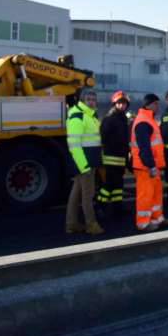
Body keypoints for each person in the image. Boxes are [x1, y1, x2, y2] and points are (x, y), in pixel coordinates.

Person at [65, 90, 104, 235]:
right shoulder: (79, 115)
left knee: (76, 194)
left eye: (94, 99)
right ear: (82, 100)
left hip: (88, 162)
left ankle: (72, 224)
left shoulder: (89, 115)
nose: (92, 102)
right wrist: (84, 167)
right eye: (89, 99)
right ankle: (91, 225)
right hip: (85, 163)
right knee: (88, 195)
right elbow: (74, 145)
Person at [131, 94, 168, 232]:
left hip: (151, 166)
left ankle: (157, 219)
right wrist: (151, 165)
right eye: (156, 104)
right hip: (145, 167)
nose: (158, 107)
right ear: (150, 105)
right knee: (145, 195)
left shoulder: (148, 120)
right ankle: (143, 223)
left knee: (155, 194)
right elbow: (144, 148)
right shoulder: (144, 122)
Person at [97, 90, 131, 216]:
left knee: (118, 186)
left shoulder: (122, 118)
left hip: (120, 158)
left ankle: (117, 208)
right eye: (119, 103)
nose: (122, 105)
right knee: (109, 185)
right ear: (114, 104)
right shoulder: (109, 119)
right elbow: (103, 138)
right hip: (110, 158)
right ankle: (100, 206)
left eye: (124, 103)